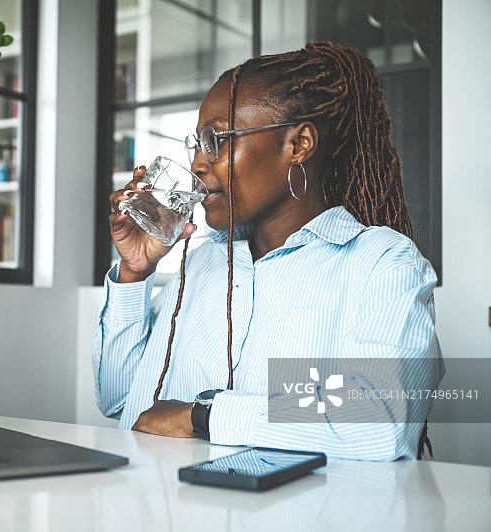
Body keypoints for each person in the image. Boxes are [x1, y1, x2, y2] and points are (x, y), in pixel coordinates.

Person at [94, 41, 444, 461]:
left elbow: (380, 419)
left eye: (216, 139)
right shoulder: (203, 262)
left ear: (298, 144)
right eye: (197, 144)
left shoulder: (382, 263)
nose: (198, 165)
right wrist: (134, 274)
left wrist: (201, 416)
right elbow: (119, 401)